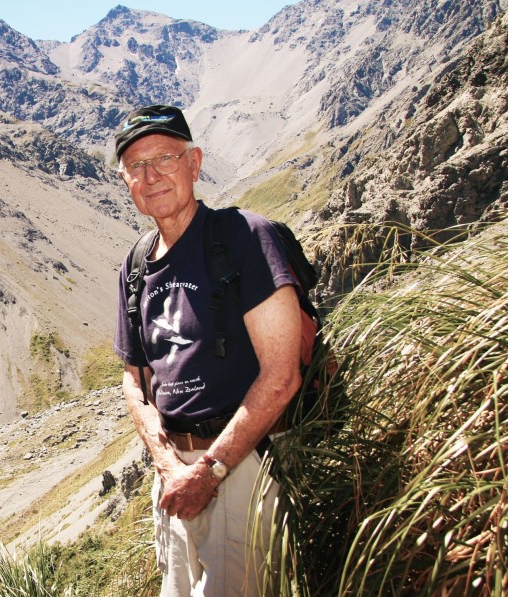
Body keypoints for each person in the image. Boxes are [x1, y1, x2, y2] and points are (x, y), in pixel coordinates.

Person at [112, 104, 303, 596]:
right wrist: (167, 465)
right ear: (125, 180)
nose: (151, 176)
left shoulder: (244, 238)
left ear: (194, 164)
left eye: (165, 159)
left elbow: (282, 375)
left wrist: (211, 470)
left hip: (241, 469)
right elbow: (135, 381)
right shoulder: (135, 267)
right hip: (174, 477)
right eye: (136, 166)